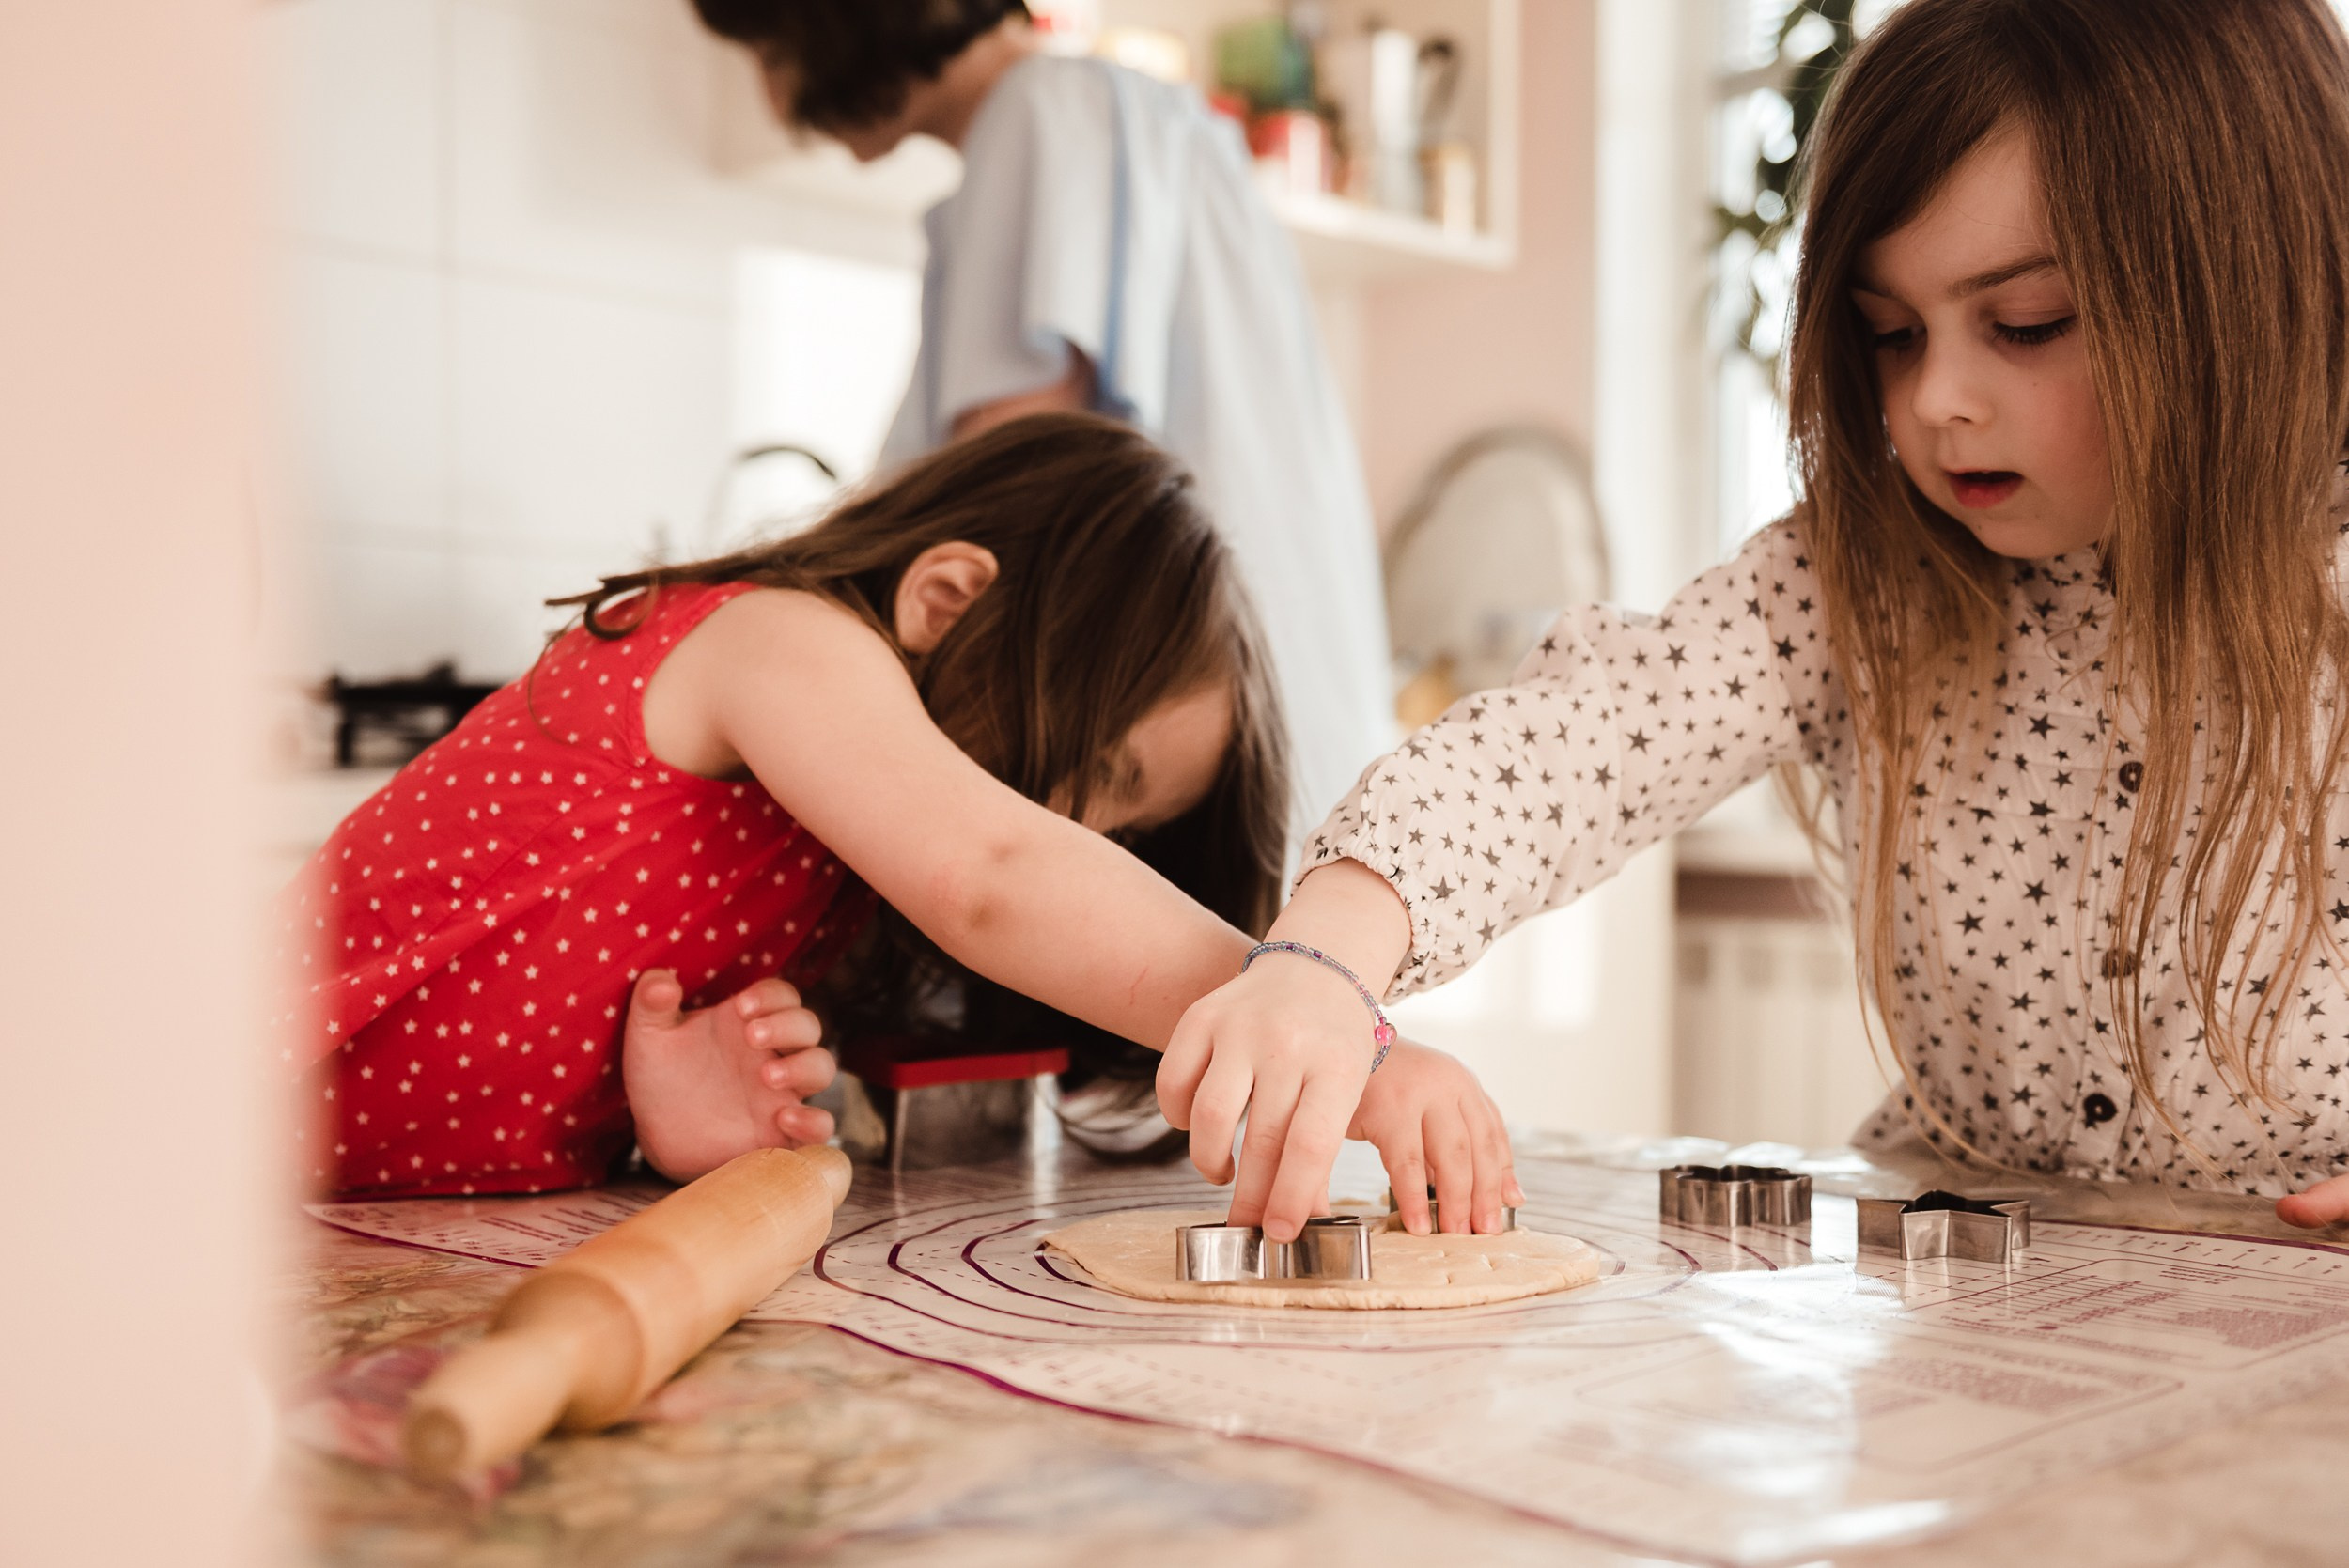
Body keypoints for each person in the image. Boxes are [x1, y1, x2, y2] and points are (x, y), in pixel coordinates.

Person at [1161, 0, 2349, 1241]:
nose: (1935, 399)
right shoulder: (1855, 583)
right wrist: (1325, 955)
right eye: (1891, 334)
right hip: (1962, 1282)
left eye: (2026, 323)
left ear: (2247, 291)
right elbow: (1580, 741)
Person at [280, 414, 1512, 1210]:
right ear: (947, 599)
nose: (1086, 840)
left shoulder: (821, 866)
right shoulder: (772, 640)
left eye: (1124, 830)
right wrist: (1326, 1019)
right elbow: (995, 873)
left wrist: (665, 1124)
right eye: (1095, 771)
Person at [690, 0, 1394, 835]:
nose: (776, 101)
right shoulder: (1157, 120)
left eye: (772, 51)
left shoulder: (1037, 114)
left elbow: (1006, 497)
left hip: (1152, 727)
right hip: (1285, 737)